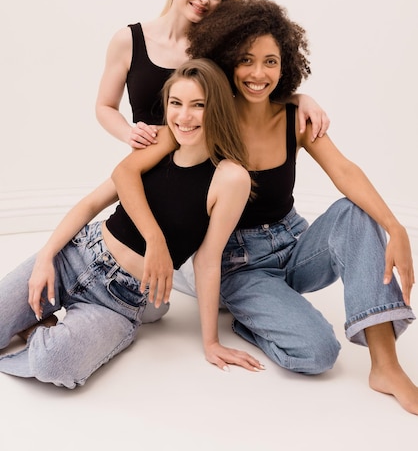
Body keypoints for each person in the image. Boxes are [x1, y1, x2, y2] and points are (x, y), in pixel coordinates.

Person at [113, 0, 418, 414]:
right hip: (240, 265)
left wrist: (396, 227)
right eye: (246, 60)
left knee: (355, 210)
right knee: (317, 355)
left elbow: (344, 171)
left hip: (295, 244)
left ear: (286, 65)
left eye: (271, 62)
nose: (259, 74)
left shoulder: (295, 117)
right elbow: (130, 168)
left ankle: (385, 365)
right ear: (226, 63)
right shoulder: (206, 118)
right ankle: (249, 316)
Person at [0, 59, 264, 388]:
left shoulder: (230, 178)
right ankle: (35, 324)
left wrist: (210, 342)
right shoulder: (163, 141)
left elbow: (208, 261)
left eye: (199, 105)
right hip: (76, 255)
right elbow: (93, 202)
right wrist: (45, 258)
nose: (184, 117)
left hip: (118, 299)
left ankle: (40, 330)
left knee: (54, 363)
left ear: (218, 109)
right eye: (176, 104)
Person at [95, 0, 329, 149]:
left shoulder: (219, 49)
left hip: (208, 171)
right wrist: (128, 133)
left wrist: (299, 98)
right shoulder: (128, 40)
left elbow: (250, 94)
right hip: (145, 162)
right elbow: (105, 106)